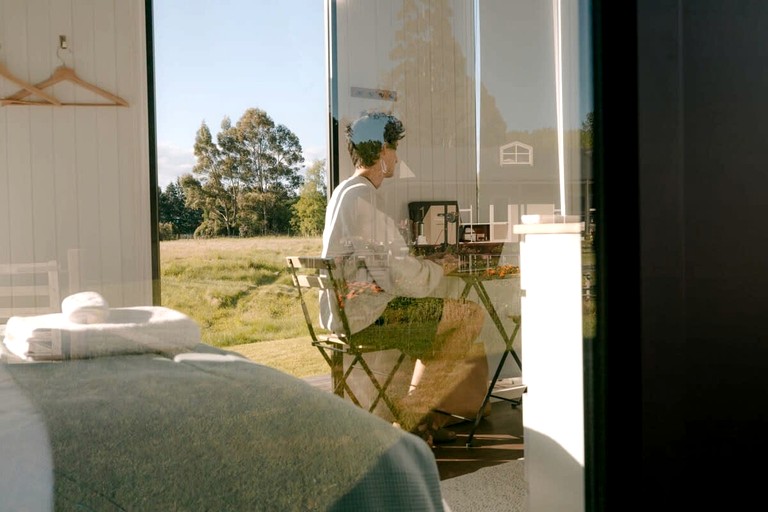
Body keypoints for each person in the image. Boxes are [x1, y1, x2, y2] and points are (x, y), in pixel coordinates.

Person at [319, 111, 485, 446]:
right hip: (369, 318)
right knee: (470, 315)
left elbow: (386, 263)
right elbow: (403, 278)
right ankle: (410, 417)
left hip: (347, 312)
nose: (396, 157)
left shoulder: (343, 192)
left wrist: (422, 264)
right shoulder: (362, 197)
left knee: (440, 331)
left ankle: (418, 419)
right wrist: (439, 268)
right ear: (382, 150)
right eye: (394, 149)